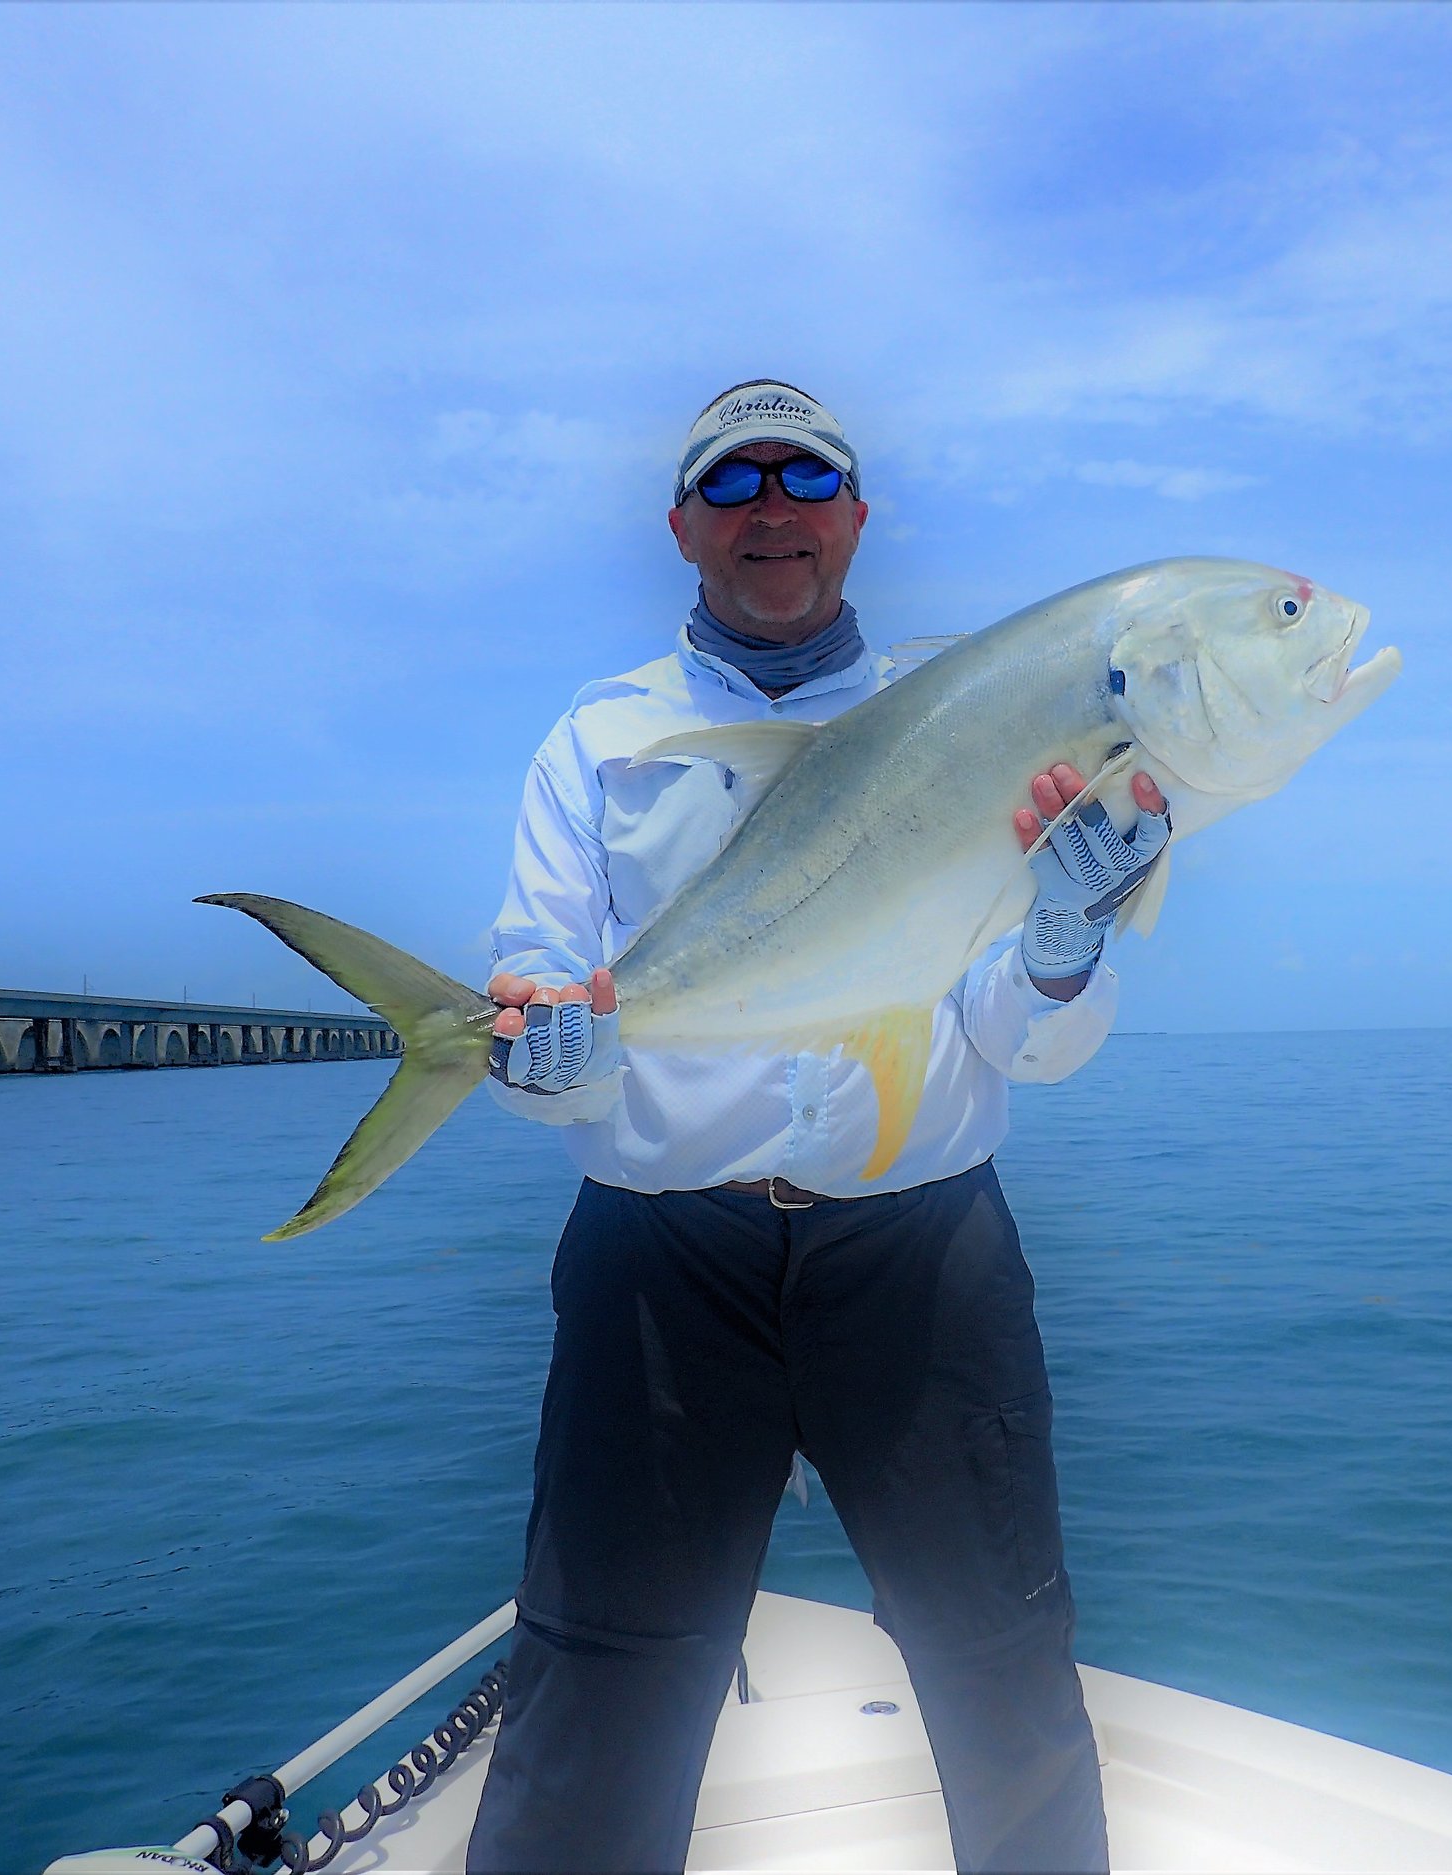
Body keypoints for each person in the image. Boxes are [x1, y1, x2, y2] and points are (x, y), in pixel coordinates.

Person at [465, 381, 1169, 1875]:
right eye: (732, 484)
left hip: (923, 1257)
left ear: (856, 516)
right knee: (604, 1675)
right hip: (662, 1269)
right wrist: (543, 1052)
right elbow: (565, 1052)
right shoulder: (599, 744)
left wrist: (1067, 939)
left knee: (1007, 1665)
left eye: (806, 479)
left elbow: (1014, 1037)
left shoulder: (969, 709)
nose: (769, 508)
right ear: (680, 529)